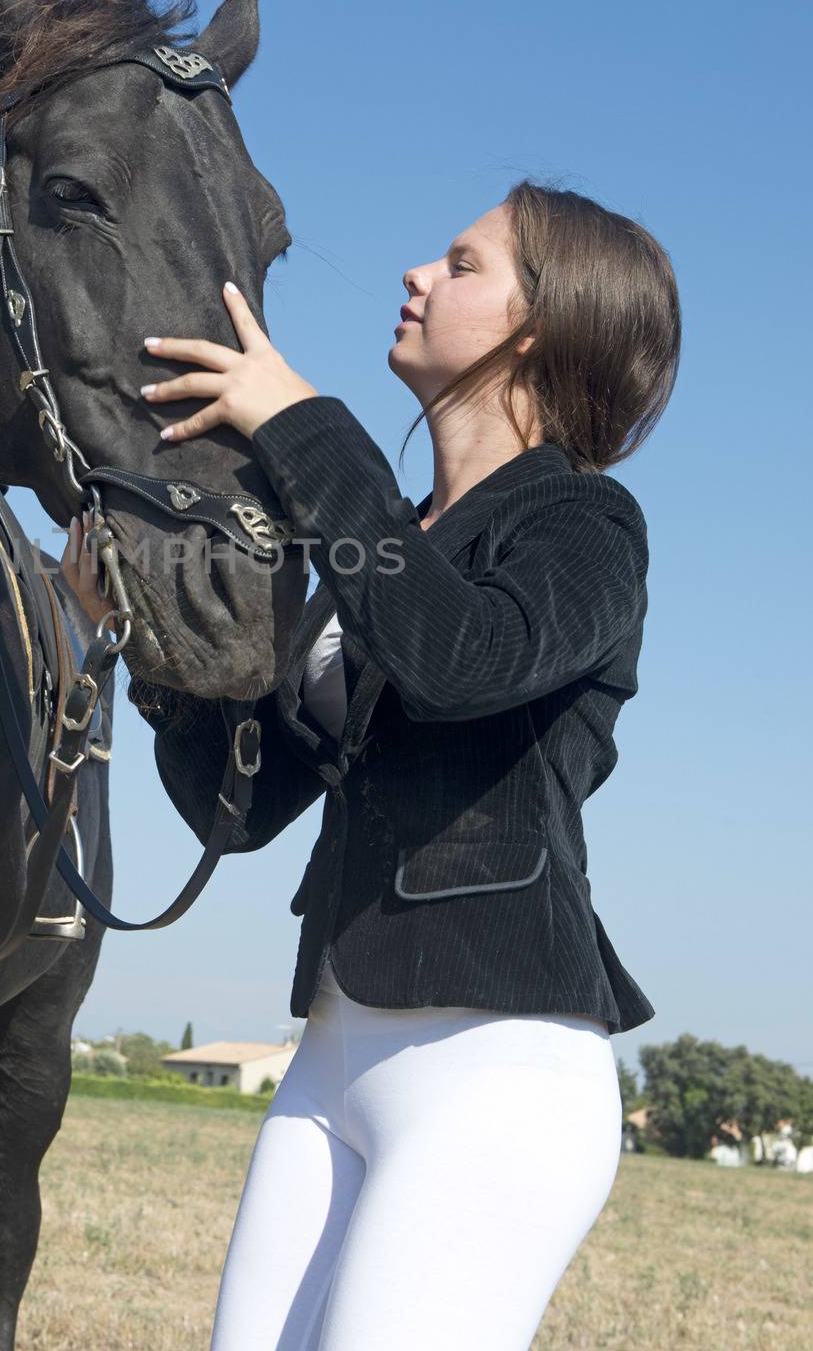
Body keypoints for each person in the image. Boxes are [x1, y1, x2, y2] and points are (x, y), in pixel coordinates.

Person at [61, 183, 680, 1351]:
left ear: (538, 325)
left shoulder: (588, 527)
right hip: (334, 1053)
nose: (414, 273)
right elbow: (239, 813)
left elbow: (454, 654)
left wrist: (298, 421)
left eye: (459, 262)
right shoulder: (383, 540)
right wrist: (147, 656)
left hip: (494, 1073)